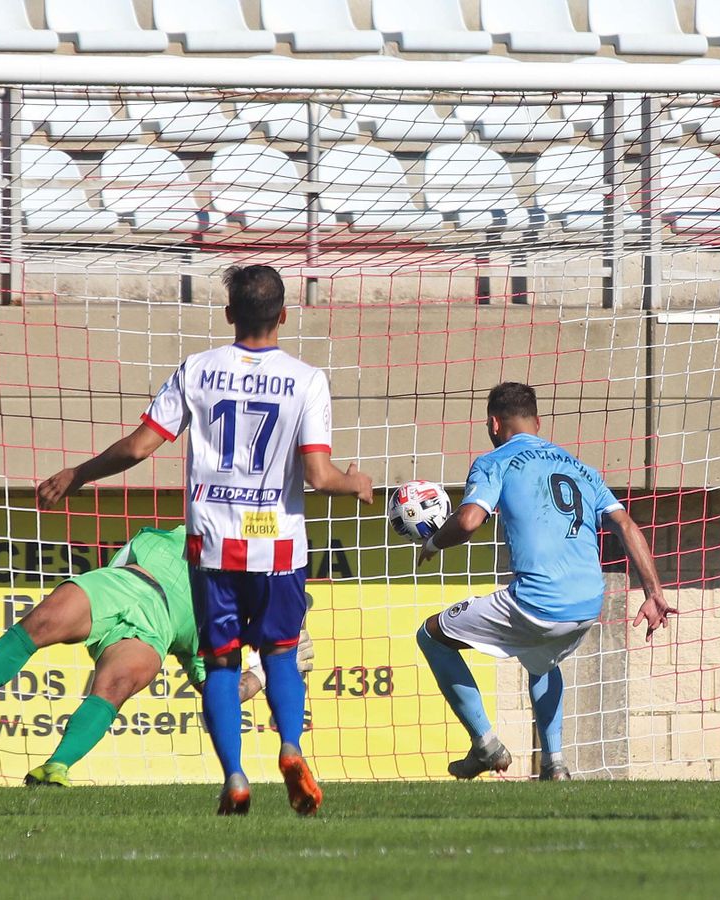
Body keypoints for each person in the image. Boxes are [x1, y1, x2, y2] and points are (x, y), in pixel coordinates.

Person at [38, 264, 373, 816]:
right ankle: (290, 747)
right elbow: (318, 475)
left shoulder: (198, 369)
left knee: (220, 663)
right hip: (278, 545)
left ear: (229, 315)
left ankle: (235, 777)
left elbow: (139, 447)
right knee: (282, 656)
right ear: (284, 315)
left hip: (213, 544)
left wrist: (77, 475)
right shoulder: (307, 379)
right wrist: (354, 483)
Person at [414, 382, 675, 781]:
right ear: (537, 422)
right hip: (588, 605)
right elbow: (624, 523)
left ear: (493, 423)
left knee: (431, 635)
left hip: (537, 603)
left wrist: (433, 542)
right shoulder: (582, 468)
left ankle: (484, 744)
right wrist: (654, 592)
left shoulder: (494, 461)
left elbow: (468, 521)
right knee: (541, 658)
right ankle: (556, 765)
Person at [0, 525, 313, 785]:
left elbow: (219, 694)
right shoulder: (186, 536)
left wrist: (263, 674)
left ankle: (55, 767)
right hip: (119, 585)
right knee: (41, 621)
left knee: (117, 683)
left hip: (151, 632)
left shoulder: (220, 626)